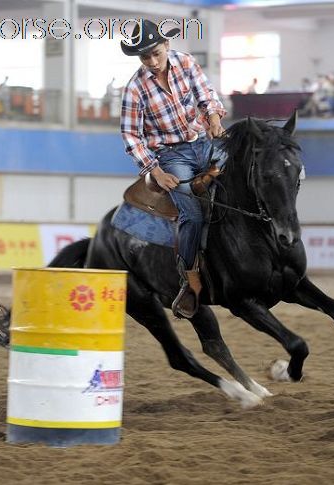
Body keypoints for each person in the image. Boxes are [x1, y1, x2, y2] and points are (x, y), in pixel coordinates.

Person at [120, 19, 226, 318]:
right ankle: (190, 281)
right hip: (170, 155)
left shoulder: (186, 62)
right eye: (145, 57)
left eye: (156, 53)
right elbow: (131, 136)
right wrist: (154, 170)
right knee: (190, 214)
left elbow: (206, 95)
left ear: (166, 45)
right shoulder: (135, 89)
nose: (152, 62)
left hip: (203, 141)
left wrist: (214, 117)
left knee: (243, 175)